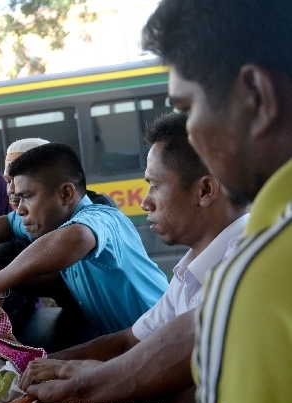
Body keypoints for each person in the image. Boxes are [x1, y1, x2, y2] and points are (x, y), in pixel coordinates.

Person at [0, 1, 292, 403]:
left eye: (189, 107)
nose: (194, 132)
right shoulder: (244, 257)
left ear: (255, 97)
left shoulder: (257, 267)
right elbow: (164, 339)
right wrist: (71, 378)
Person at [24, 111, 249, 374]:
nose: (145, 202)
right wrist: (40, 364)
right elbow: (130, 340)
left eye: (154, 185)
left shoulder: (244, 268)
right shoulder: (190, 269)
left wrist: (82, 375)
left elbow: (182, 381)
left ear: (204, 191)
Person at [0, 142, 168, 335]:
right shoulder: (50, 218)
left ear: (66, 194)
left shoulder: (101, 218)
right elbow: (6, 222)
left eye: (28, 197)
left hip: (168, 337)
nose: (20, 209)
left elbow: (76, 238)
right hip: (127, 341)